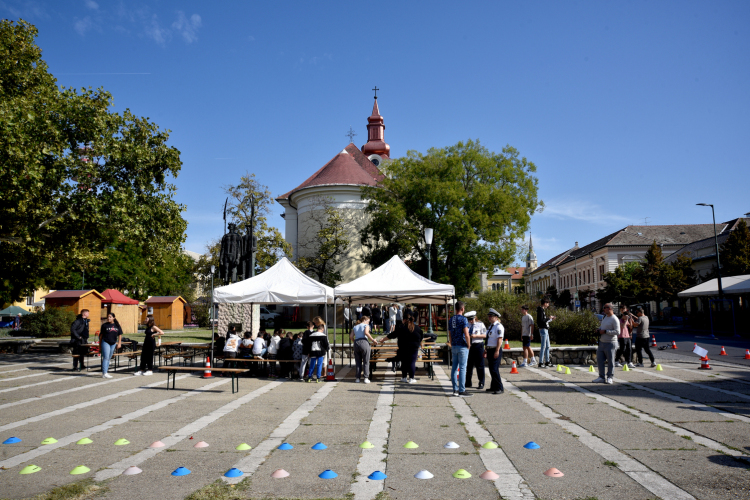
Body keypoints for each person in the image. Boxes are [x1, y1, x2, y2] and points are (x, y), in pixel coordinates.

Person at [382, 310, 423, 383]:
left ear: (404, 320)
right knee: (412, 362)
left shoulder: (401, 327)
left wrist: (383, 340)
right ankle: (411, 378)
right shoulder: (417, 328)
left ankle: (404, 377)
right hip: (413, 348)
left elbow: (392, 335)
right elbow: (421, 337)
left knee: (403, 362)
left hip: (403, 348)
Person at [448, 301, 472, 397]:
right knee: (462, 368)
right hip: (462, 346)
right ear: (462, 309)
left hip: (454, 345)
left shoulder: (451, 319)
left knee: (454, 368)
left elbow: (449, 333)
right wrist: (469, 344)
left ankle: (455, 389)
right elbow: (466, 334)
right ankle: (462, 390)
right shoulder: (463, 319)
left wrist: (451, 342)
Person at [594, 303, 620, 384]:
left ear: (610, 308)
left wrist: (605, 331)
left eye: (604, 308)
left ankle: (610, 377)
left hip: (611, 343)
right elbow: (603, 327)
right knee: (600, 360)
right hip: (602, 342)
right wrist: (599, 330)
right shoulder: (605, 317)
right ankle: (601, 377)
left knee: (610, 361)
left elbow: (617, 332)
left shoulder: (614, 319)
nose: (603, 309)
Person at [484, 308, 505, 394]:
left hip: (495, 349)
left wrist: (497, 350)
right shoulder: (491, 326)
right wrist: (485, 349)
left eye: (491, 316)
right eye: (489, 316)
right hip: (489, 349)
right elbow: (488, 339)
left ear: (496, 317)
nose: (489, 318)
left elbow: (499, 339)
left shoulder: (498, 326)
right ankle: (493, 387)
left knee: (494, 369)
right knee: (491, 369)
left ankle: (500, 387)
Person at [464, 311, 486, 390]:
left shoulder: (480, 324)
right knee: (469, 365)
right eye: (469, 319)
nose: (470, 321)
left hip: (478, 345)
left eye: (472, 319)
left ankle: (481, 382)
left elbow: (485, 335)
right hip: (470, 346)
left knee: (479, 365)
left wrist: (476, 335)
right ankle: (468, 382)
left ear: (475, 318)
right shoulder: (467, 325)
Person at [351, 315, 376, 383]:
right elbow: (366, 333)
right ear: (365, 320)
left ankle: (357, 378)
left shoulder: (355, 326)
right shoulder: (366, 326)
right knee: (366, 361)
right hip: (364, 342)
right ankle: (365, 378)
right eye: (368, 321)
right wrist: (373, 340)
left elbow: (351, 336)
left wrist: (355, 341)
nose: (368, 323)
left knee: (358, 362)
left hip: (356, 343)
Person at [100, 312, 123, 379]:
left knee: (109, 358)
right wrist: (99, 345)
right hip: (105, 342)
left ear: (113, 318)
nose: (108, 318)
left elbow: (120, 335)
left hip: (113, 343)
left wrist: (119, 343)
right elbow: (101, 336)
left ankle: (106, 372)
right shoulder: (104, 325)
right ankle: (104, 373)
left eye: (110, 317)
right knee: (106, 357)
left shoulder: (117, 325)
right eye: (108, 317)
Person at [536, 299, 555, 368]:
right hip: (543, 330)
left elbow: (544, 321)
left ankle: (547, 361)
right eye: (547, 303)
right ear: (544, 303)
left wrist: (550, 319)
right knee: (543, 346)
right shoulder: (540, 310)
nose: (548, 305)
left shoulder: (542, 310)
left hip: (545, 329)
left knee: (547, 346)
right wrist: (548, 318)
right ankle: (540, 362)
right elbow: (541, 321)